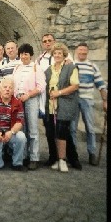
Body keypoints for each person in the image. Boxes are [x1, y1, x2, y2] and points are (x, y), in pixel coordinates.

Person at [36, 33, 73, 166]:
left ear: (54, 41)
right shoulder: (40, 59)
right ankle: (53, 156)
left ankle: (70, 157)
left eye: (49, 40)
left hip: (63, 98)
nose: (47, 43)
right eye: (44, 41)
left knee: (64, 130)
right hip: (48, 99)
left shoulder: (66, 57)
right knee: (50, 129)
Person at [44, 43, 82, 172]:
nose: (57, 55)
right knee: (53, 133)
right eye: (55, 53)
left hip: (64, 105)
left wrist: (59, 93)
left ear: (64, 54)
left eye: (60, 53)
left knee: (61, 132)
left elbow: (75, 85)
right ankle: (57, 158)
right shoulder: (49, 69)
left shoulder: (70, 67)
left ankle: (63, 160)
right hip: (51, 106)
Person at [71, 42, 108, 166]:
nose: (82, 52)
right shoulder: (71, 65)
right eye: (80, 50)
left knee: (90, 128)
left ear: (87, 52)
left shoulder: (92, 66)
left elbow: (101, 85)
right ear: (77, 51)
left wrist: (105, 101)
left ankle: (92, 152)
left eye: (84, 51)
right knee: (72, 128)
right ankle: (73, 154)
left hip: (87, 100)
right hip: (74, 100)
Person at [12, 43, 46, 170]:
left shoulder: (36, 68)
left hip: (31, 100)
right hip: (19, 100)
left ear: (30, 55)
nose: (23, 56)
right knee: (22, 129)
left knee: (32, 129)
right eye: (21, 54)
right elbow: (14, 84)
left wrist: (28, 95)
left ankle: (34, 157)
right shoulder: (17, 68)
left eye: (26, 53)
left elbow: (41, 86)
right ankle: (24, 156)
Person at [0, 77, 28, 171]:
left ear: (13, 91)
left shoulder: (17, 102)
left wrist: (11, 132)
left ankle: (17, 163)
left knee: (21, 136)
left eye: (10, 88)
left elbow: (20, 122)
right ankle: (3, 152)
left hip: (9, 133)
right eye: (5, 87)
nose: (7, 89)